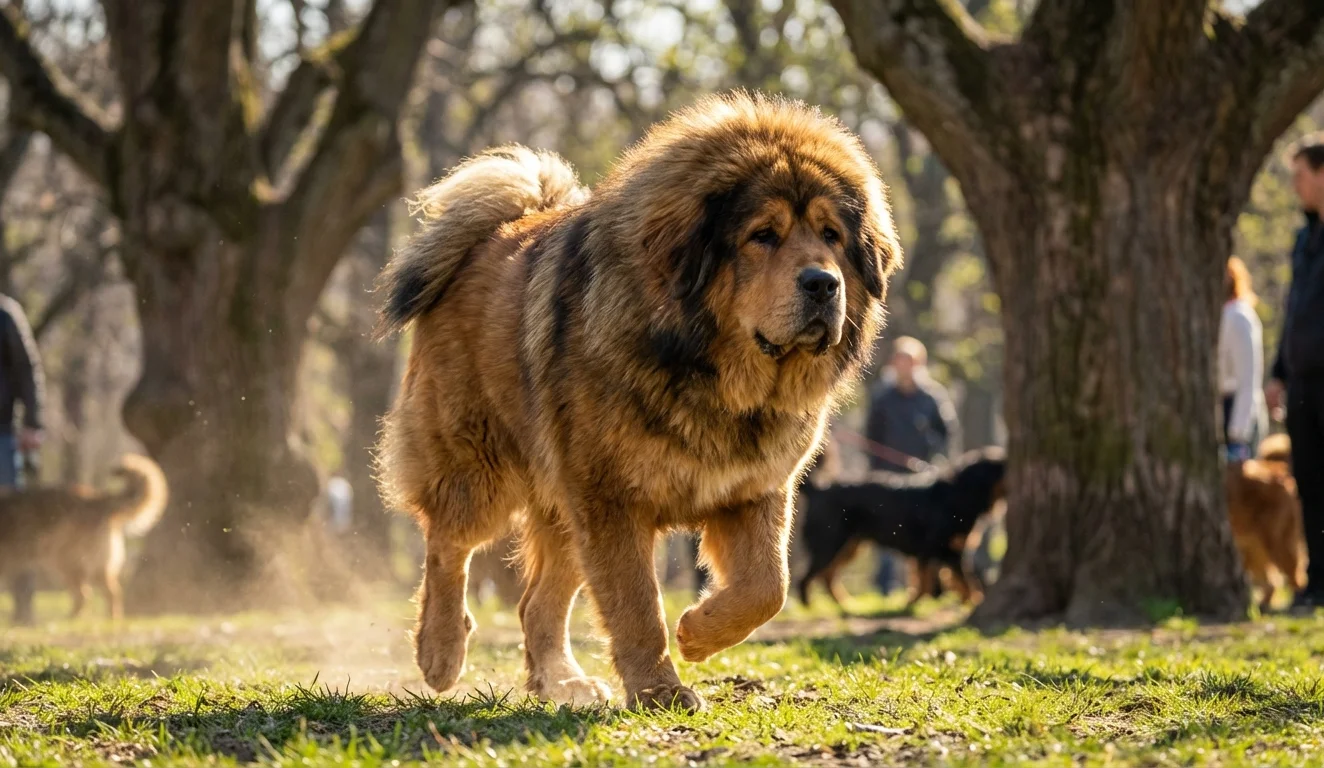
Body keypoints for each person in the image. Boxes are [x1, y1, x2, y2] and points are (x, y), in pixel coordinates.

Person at [1267, 135, 1324, 611]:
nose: (1295, 186)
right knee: (1308, 481)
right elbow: (1293, 311)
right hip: (1303, 381)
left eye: (1300, 175)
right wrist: (1278, 372)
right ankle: (1316, 581)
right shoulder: (1305, 239)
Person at [863, 336, 960, 593]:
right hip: (889, 479)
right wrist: (877, 468)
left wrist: (933, 457)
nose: (903, 366)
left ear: (919, 363)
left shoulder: (932, 396)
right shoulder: (882, 397)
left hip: (923, 481)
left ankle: (928, 586)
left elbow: (946, 433)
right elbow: (872, 436)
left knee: (924, 534)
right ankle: (885, 587)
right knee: (886, 531)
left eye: (909, 361)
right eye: (899, 360)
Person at [0, 294, 45, 624]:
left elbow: (27, 369)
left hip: (2, 432)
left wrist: (33, 422)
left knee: (13, 524)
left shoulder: (5, 313)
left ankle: (23, 607)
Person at [1219, 257, 1268, 461]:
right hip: (1222, 410)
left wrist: (1237, 434)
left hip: (1239, 414)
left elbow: (1248, 379)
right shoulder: (1220, 314)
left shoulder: (1238, 316)